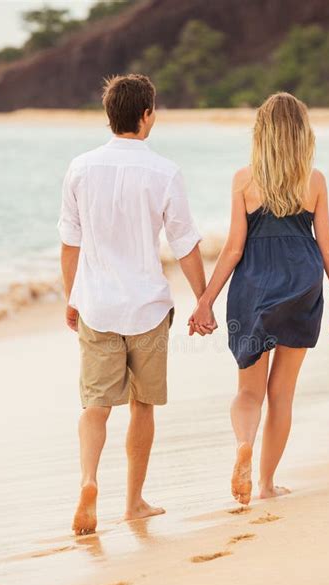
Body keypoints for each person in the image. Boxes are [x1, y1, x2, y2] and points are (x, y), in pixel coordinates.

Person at [58, 74, 214, 535]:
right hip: (147, 308)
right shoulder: (164, 172)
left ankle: (88, 480)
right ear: (147, 115)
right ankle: (133, 502)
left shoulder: (80, 168)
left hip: (98, 306)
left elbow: (70, 242)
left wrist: (72, 298)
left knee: (95, 405)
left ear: (109, 116)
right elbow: (184, 243)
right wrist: (203, 299)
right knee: (142, 405)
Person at [189, 92, 329, 505]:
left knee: (249, 392)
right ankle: (265, 484)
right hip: (302, 283)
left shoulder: (244, 180)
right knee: (282, 395)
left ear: (261, 133)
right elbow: (327, 246)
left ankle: (245, 443)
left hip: (254, 288)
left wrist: (205, 299)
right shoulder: (313, 181)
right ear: (302, 132)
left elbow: (233, 250)